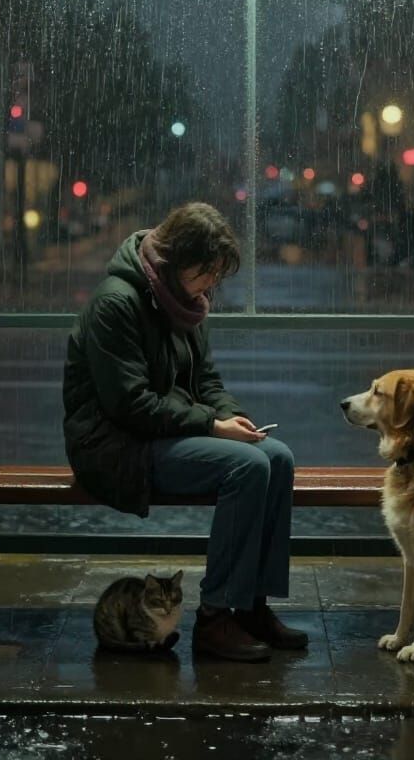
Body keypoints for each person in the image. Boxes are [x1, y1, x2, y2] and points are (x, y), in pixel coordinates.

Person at [63, 201, 307, 662]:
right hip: (114, 445)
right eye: (206, 271)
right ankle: (215, 618)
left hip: (158, 432)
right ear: (174, 261)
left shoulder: (182, 301)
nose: (211, 283)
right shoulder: (117, 301)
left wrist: (232, 418)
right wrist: (212, 426)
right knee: (248, 468)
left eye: (217, 273)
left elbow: (206, 381)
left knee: (277, 456)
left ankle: (252, 605)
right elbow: (128, 405)